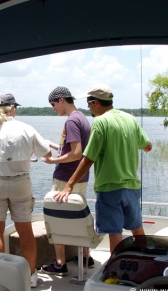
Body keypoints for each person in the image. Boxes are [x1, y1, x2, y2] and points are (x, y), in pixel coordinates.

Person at [54, 83, 152, 253]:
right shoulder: (130, 118)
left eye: (89, 103)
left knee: (114, 233)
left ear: (97, 103)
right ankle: (146, 261)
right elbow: (148, 146)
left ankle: (115, 273)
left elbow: (88, 159)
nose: (88, 107)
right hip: (133, 188)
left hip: (110, 188)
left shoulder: (100, 122)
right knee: (137, 228)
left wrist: (69, 186)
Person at [0, 92, 52, 288]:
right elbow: (47, 152)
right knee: (25, 230)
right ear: (12, 108)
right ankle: (31, 277)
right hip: (20, 183)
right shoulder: (26, 129)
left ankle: (0, 278)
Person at [40, 86, 94, 276]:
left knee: (57, 219)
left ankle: (60, 262)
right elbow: (74, 150)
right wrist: (55, 146)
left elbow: (76, 153)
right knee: (78, 216)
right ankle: (86, 256)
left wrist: (53, 160)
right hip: (80, 177)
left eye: (53, 104)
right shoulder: (82, 118)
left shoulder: (71, 121)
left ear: (62, 100)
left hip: (65, 178)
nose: (54, 108)